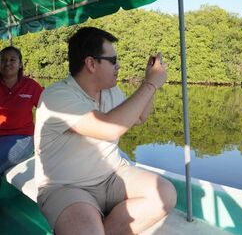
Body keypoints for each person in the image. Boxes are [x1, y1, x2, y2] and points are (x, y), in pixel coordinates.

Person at [34, 27, 177, 235]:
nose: (118, 66)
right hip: (67, 187)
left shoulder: (110, 91)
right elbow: (109, 128)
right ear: (91, 63)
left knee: (165, 193)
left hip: (111, 176)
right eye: (113, 60)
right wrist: (150, 85)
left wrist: (150, 82)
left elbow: (139, 117)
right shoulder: (56, 97)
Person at [0, 46, 43, 174]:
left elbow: (48, 107)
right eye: (3, 60)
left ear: (20, 64)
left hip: (23, 137)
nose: (7, 63)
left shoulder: (30, 86)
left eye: (12, 60)